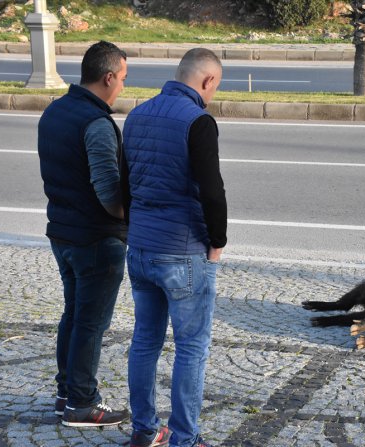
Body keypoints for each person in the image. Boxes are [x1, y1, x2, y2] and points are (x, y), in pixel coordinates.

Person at [122, 48, 227, 447]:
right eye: (215, 86)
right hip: (183, 250)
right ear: (207, 81)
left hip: (141, 246)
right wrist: (217, 242)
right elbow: (211, 190)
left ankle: (144, 430)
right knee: (191, 347)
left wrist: (135, 231)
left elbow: (125, 183)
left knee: (145, 340)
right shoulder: (198, 121)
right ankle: (185, 437)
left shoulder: (137, 114)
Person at [37, 40, 130, 427]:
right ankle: (82, 403)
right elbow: (108, 190)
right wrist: (131, 219)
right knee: (90, 323)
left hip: (62, 232)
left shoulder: (55, 111)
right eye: (123, 78)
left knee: (74, 316)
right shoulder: (96, 123)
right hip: (95, 238)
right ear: (108, 77)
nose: (123, 86)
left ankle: (65, 394)